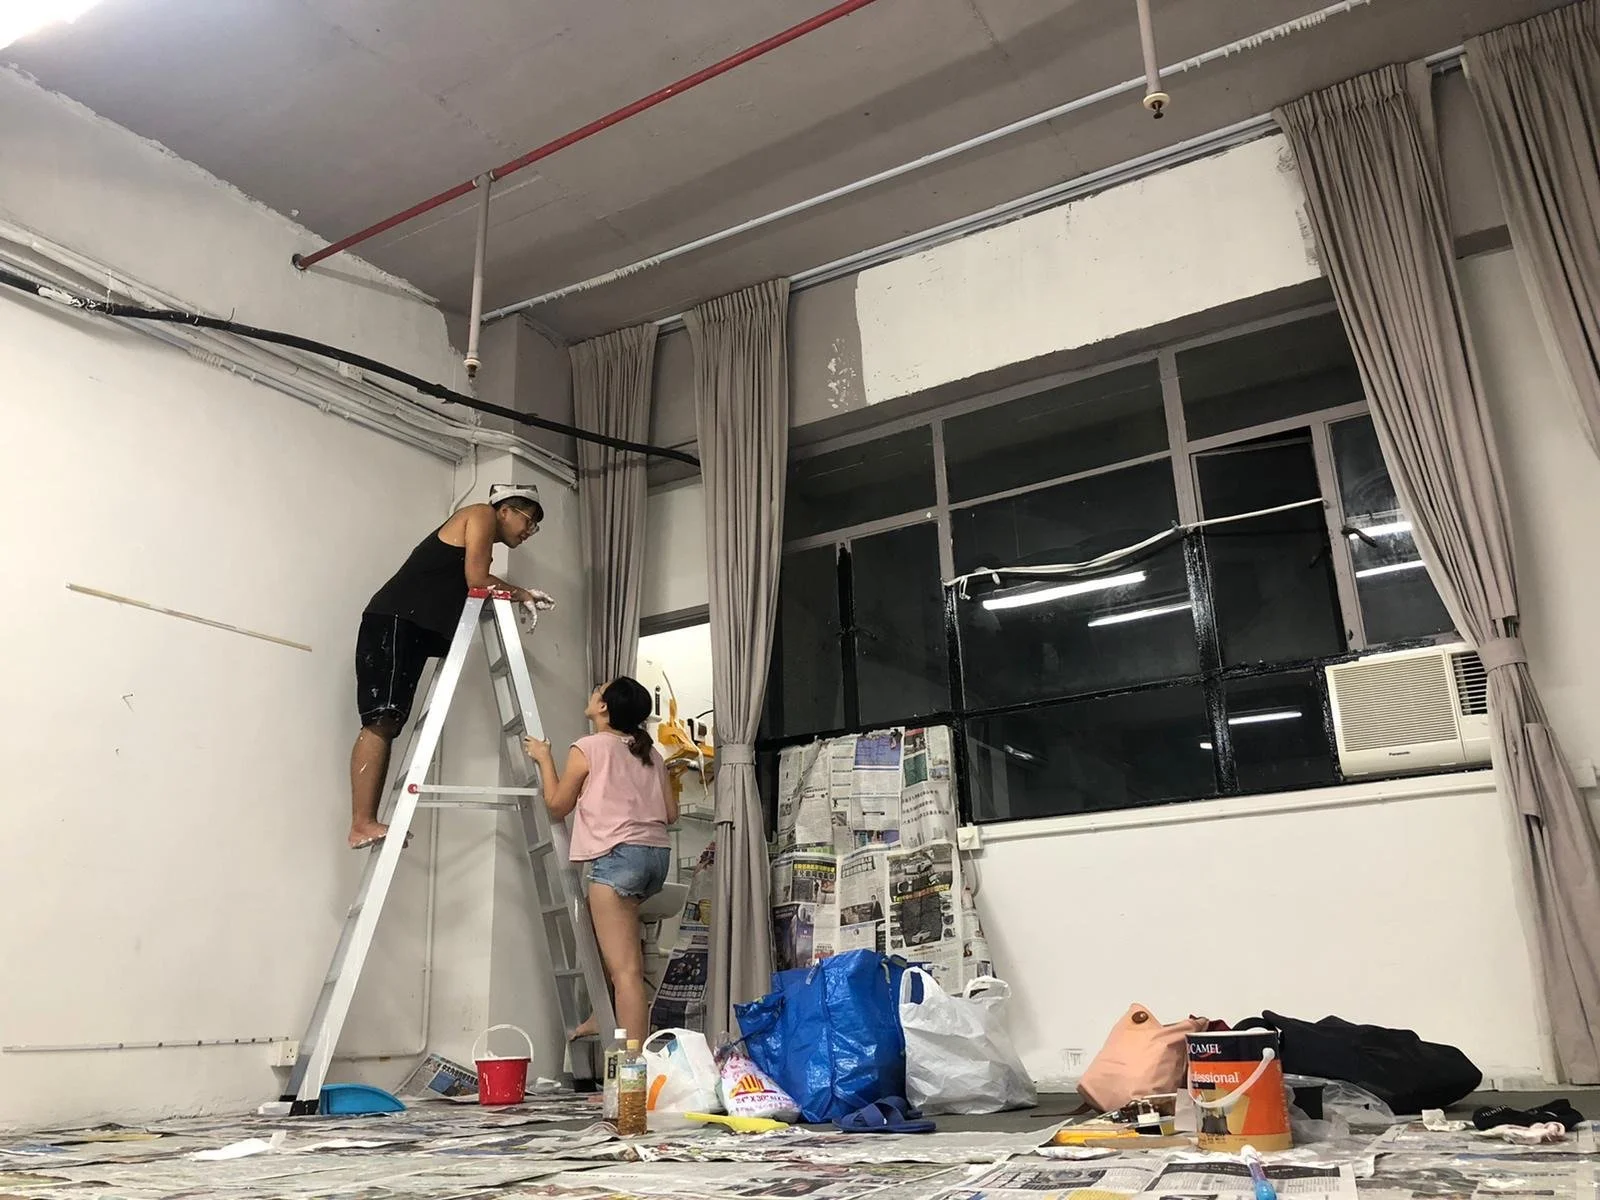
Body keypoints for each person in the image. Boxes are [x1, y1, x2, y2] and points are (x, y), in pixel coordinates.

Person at [348, 484, 551, 850]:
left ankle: (365, 821)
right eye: (528, 520)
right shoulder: (482, 514)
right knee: (381, 719)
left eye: (535, 527)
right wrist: (521, 593)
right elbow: (478, 580)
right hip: (394, 620)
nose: (528, 531)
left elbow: (474, 584)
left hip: (412, 626)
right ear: (505, 510)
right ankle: (362, 823)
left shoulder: (484, 530)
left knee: (390, 721)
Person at [524, 676, 678, 1043]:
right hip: (656, 857)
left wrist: (544, 759)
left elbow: (557, 805)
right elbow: (671, 814)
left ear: (604, 707)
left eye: (597, 691)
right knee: (602, 932)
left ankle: (633, 1068)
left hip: (618, 858)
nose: (592, 693)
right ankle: (601, 1013)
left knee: (627, 972)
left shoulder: (588, 747)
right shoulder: (650, 754)